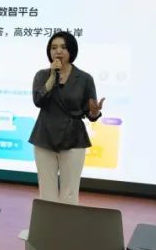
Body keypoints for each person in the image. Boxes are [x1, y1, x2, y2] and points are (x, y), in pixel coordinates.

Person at [28, 31, 104, 204]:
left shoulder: (84, 78)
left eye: (63, 47)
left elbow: (90, 112)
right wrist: (52, 77)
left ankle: (67, 223)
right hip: (45, 136)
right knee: (47, 193)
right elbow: (38, 100)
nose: (58, 51)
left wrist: (94, 112)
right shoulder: (42, 75)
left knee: (69, 194)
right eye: (54, 47)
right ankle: (48, 222)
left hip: (73, 138)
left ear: (71, 51)